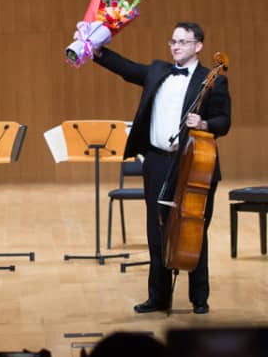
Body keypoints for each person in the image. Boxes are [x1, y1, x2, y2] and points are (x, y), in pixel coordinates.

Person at [92, 22, 231, 314]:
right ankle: (158, 297)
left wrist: (204, 123)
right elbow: (127, 69)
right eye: (173, 42)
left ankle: (199, 298)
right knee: (156, 231)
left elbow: (224, 121)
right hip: (156, 161)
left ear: (198, 46)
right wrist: (96, 51)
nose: (176, 47)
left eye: (183, 42)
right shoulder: (158, 71)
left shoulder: (213, 80)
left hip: (192, 162)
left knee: (194, 229)